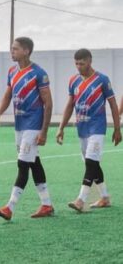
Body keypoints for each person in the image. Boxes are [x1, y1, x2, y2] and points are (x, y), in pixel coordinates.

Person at [0, 37, 55, 220]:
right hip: (19, 125)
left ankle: (9, 207)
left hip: (33, 126)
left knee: (23, 164)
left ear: (26, 51)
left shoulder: (38, 73)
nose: (12, 51)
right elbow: (7, 95)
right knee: (34, 162)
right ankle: (47, 204)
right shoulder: (12, 71)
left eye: (15, 49)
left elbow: (48, 104)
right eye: (11, 48)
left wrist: (44, 131)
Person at [56, 48, 121, 211]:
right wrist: (61, 127)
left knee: (91, 162)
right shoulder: (73, 81)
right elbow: (70, 105)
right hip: (82, 128)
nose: (79, 67)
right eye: (76, 64)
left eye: (82, 63)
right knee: (92, 164)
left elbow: (113, 104)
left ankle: (81, 200)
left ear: (90, 61)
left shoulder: (102, 80)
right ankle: (105, 197)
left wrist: (117, 128)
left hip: (97, 128)